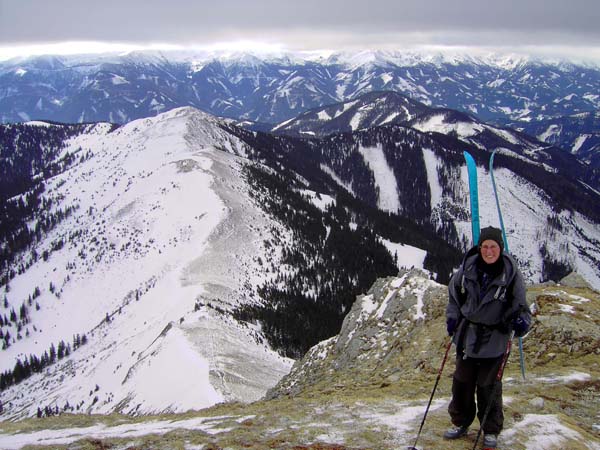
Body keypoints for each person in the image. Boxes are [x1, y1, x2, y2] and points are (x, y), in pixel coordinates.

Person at [444, 226, 531, 449]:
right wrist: (452, 319)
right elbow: (454, 298)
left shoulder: (510, 275)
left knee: (488, 385)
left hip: (495, 337)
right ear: (479, 248)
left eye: (493, 246)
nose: (489, 251)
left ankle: (490, 429)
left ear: (500, 249)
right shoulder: (466, 271)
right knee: (461, 382)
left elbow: (521, 306)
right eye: (485, 246)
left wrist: (522, 323)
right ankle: (461, 422)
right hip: (468, 336)